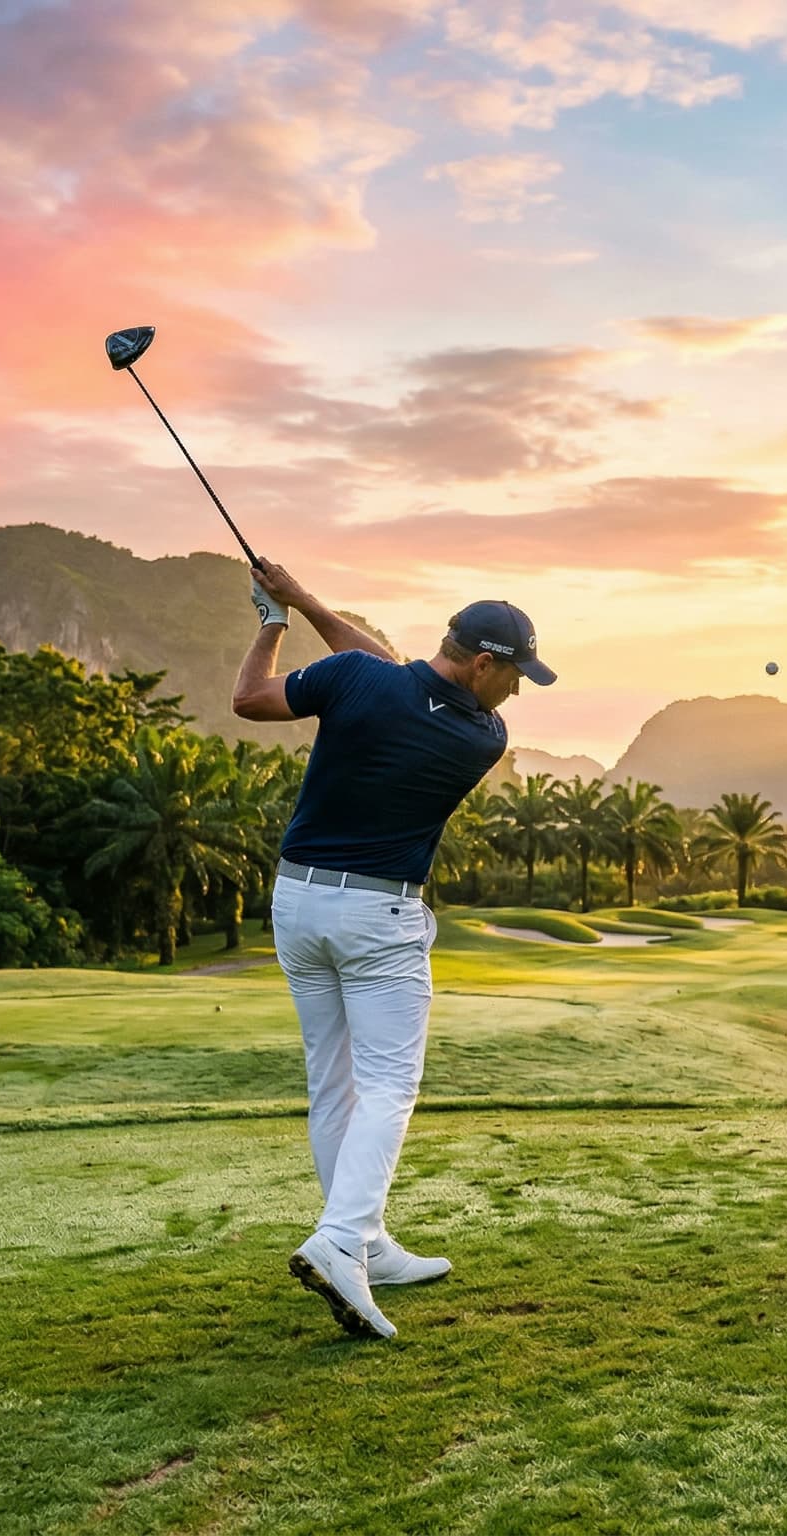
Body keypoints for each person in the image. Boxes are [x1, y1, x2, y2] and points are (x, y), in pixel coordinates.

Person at [231, 557, 552, 1340]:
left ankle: (367, 1241)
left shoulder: (352, 681)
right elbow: (394, 670)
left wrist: (277, 618)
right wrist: (304, 599)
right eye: (514, 676)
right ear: (483, 666)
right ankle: (341, 1240)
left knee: (332, 1080)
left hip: (297, 904)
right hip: (379, 919)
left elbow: (251, 698)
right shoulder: (482, 736)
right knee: (387, 1085)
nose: (517, 692)